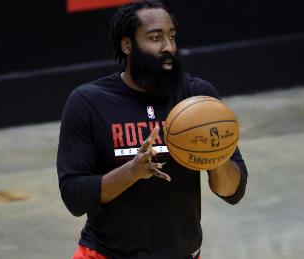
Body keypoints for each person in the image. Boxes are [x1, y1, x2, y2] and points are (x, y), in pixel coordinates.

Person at [56, 1, 248, 258]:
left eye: (171, 37)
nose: (168, 47)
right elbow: (74, 198)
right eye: (155, 38)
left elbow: (233, 191)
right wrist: (132, 172)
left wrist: (215, 156)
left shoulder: (197, 98)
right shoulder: (88, 102)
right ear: (127, 45)